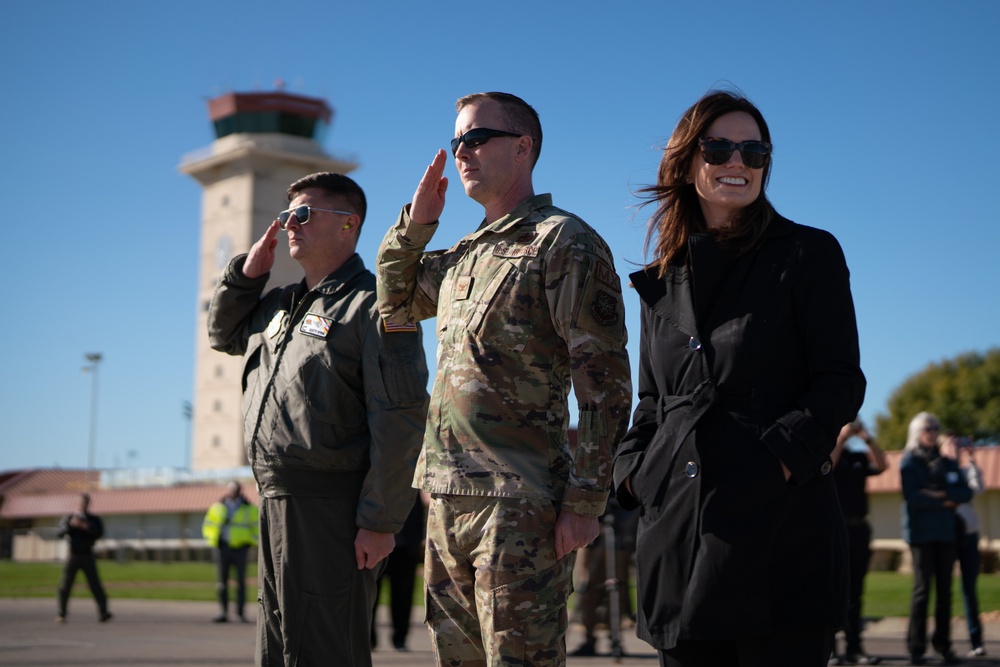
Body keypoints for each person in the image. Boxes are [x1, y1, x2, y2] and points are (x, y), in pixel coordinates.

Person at [376, 91, 632, 666]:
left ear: (523, 148)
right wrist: (416, 226)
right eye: (456, 141)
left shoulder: (563, 241)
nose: (462, 152)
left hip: (518, 503)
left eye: (476, 137)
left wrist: (586, 501)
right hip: (446, 495)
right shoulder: (464, 255)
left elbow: (605, 380)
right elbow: (392, 304)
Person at [612, 90, 866, 667]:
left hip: (780, 537)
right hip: (677, 533)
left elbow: (840, 381)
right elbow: (652, 402)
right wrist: (633, 477)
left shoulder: (808, 253)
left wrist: (775, 461)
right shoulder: (660, 282)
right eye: (720, 147)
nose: (738, 162)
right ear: (686, 160)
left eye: (753, 151)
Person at [208, 172, 429, 667]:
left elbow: (400, 419)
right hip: (273, 497)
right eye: (286, 215)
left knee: (324, 647)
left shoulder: (376, 304)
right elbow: (223, 333)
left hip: (332, 505)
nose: (289, 225)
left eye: (303, 215)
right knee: (278, 644)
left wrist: (380, 520)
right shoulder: (278, 305)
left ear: (349, 224)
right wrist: (246, 275)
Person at [900, 412, 971, 666]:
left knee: (945, 592)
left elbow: (964, 494)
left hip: (946, 534)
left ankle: (943, 645)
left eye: (936, 428)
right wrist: (946, 499)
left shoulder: (948, 463)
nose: (933, 432)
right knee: (922, 590)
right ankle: (916, 648)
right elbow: (913, 497)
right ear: (917, 432)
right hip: (920, 535)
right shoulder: (909, 462)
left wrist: (936, 493)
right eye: (928, 428)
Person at [830, 419, 886, 666]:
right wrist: (840, 437)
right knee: (831, 589)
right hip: (836, 529)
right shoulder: (833, 454)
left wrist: (867, 438)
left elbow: (883, 465)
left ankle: (855, 647)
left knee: (856, 591)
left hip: (859, 527)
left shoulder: (858, 456)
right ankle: (830, 649)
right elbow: (827, 467)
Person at [569, 497, 638, 658]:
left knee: (617, 590)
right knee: (587, 588)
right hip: (591, 537)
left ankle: (615, 639)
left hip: (620, 535)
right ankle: (589, 639)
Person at [940, 432, 987, 658]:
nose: (955, 447)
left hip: (968, 536)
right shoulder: (938, 469)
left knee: (969, 590)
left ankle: (976, 641)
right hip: (946, 536)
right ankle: (944, 644)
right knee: (943, 590)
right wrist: (959, 494)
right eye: (951, 443)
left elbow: (977, 488)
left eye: (957, 443)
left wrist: (971, 459)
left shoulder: (966, 470)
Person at [370, 494, 426, 652]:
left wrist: (414, 545)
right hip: (376, 548)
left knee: (403, 597)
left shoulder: (409, 485)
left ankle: (400, 639)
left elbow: (418, 516)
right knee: (370, 596)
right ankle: (369, 639)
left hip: (404, 549)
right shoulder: (375, 484)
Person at [202, 480, 259, 623]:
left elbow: (257, 529)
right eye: (231, 489)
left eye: (236, 489)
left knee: (241, 582)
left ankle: (240, 613)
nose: (234, 492)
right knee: (222, 582)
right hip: (222, 548)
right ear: (228, 490)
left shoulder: (249, 509)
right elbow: (208, 525)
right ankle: (222, 612)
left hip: (240, 549)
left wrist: (249, 542)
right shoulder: (217, 507)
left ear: (240, 490)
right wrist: (213, 541)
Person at [56, 493, 112, 623]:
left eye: (86, 502)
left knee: (95, 585)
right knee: (65, 585)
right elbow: (60, 532)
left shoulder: (93, 519)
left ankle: (103, 612)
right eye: (81, 502)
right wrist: (71, 525)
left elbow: (99, 533)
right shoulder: (70, 517)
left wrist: (87, 527)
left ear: (89, 503)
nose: (83, 505)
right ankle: (62, 613)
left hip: (87, 555)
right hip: (73, 555)